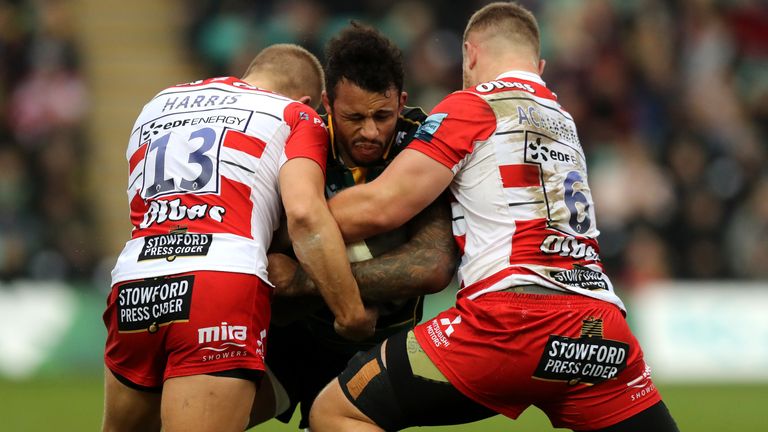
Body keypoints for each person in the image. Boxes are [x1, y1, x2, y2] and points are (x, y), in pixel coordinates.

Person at [310, 3, 680, 432]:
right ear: (538, 67)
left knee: (335, 411)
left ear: (470, 55)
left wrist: (298, 219)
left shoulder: (474, 105)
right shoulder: (564, 120)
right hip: (599, 329)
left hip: (508, 325)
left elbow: (379, 208)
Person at [101, 43, 376, 432]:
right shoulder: (296, 115)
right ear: (307, 100)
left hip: (135, 281)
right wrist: (351, 313)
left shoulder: (159, 102)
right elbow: (303, 214)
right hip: (220, 281)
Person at [247, 23, 463, 430]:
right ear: (327, 104)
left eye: (383, 115)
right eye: (353, 117)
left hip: (375, 352)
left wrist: (305, 281)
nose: (370, 131)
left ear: (401, 101)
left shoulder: (422, 145)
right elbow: (267, 263)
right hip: (290, 341)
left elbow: (431, 265)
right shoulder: (297, 142)